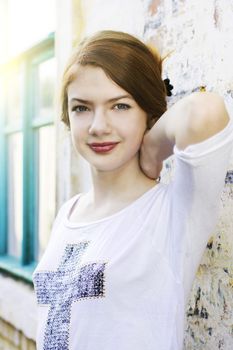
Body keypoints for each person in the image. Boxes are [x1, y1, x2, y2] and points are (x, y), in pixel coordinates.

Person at [33, 30, 233, 350]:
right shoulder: (68, 213)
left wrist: (153, 149)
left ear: (149, 113)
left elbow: (204, 112)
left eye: (120, 106)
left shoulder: (172, 214)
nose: (98, 126)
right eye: (82, 108)